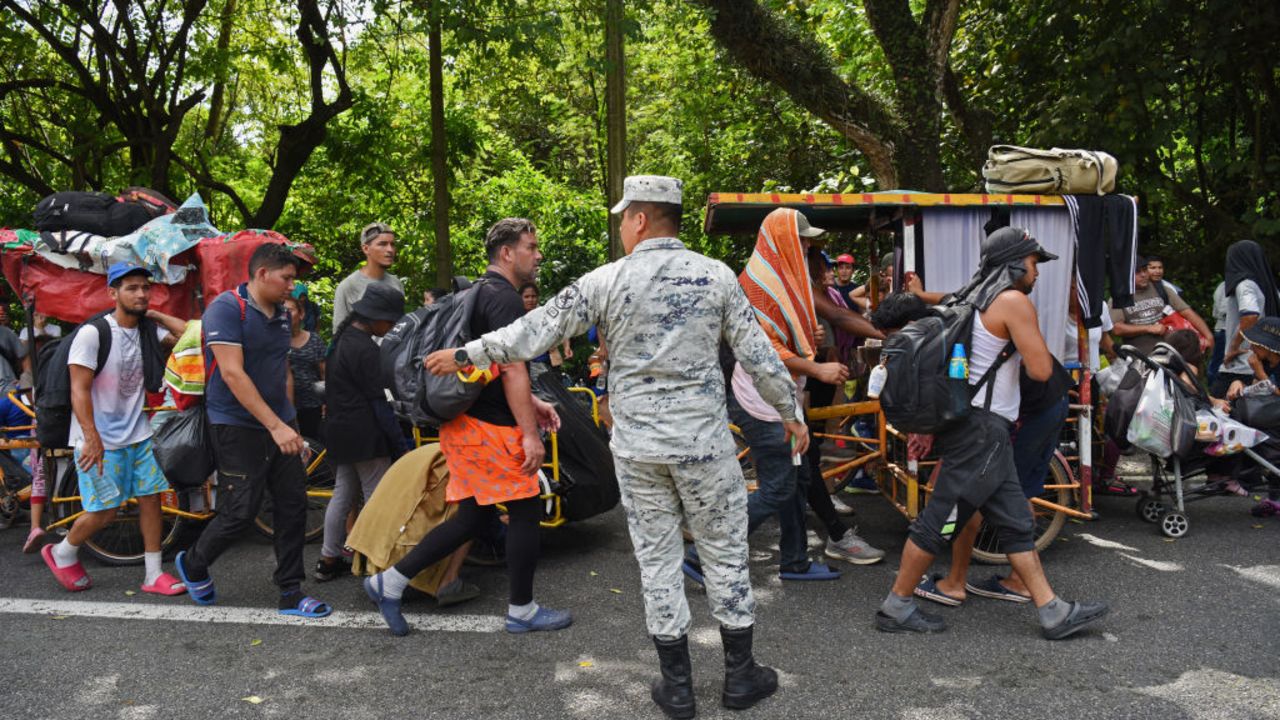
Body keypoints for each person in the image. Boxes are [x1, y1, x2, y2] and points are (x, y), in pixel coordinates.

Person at [423, 176, 803, 717]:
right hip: (703, 449)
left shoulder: (606, 280)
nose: (621, 225)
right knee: (725, 555)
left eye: (624, 216)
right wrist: (790, 412)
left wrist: (466, 354)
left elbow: (533, 332)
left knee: (657, 561)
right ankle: (740, 678)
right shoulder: (715, 276)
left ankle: (676, 687)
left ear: (641, 219)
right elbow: (759, 355)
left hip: (639, 449)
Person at [876, 227, 1109, 640]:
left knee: (1016, 520)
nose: (1037, 273)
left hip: (980, 428)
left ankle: (1052, 611)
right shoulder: (1012, 301)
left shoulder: (970, 298)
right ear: (1016, 263)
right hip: (982, 431)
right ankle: (896, 605)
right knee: (941, 519)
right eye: (1035, 263)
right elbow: (1040, 370)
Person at [362, 218, 568, 637]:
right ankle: (522, 610)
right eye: (531, 246)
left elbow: (486, 368)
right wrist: (529, 433)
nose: (538, 254)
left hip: (464, 425)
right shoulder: (505, 300)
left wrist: (533, 402)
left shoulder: (476, 294)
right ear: (507, 253)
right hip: (490, 429)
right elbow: (512, 369)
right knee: (527, 509)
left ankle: (390, 582)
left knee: (473, 516)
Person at [682, 209, 845, 584]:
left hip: (782, 402)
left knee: (797, 478)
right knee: (777, 487)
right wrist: (818, 368)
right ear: (784, 241)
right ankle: (702, 556)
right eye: (802, 240)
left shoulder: (781, 279)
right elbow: (764, 351)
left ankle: (795, 561)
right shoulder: (756, 285)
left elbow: (784, 337)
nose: (808, 246)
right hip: (762, 405)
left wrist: (811, 342)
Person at [175, 243, 332, 618]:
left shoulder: (281, 315)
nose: (292, 286)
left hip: (280, 423)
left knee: (293, 504)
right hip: (236, 425)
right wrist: (276, 426)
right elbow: (232, 374)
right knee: (241, 510)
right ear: (262, 274)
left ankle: (291, 592)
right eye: (287, 278)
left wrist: (290, 425)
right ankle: (194, 563)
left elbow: (280, 374)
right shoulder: (228, 309)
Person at [41, 263, 186, 595]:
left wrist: (158, 316)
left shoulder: (148, 331)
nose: (140, 293)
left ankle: (152, 575)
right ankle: (63, 550)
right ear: (112, 293)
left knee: (152, 500)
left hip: (139, 434)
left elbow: (191, 335)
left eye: (145, 288)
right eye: (131, 288)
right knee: (105, 510)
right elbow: (79, 388)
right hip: (99, 438)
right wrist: (91, 437)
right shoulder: (93, 333)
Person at [316, 284, 407, 581]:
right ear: (375, 316)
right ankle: (374, 563)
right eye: (390, 321)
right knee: (377, 497)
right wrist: (398, 442)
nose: (391, 327)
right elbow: (378, 401)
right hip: (365, 434)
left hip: (339, 430)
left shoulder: (341, 340)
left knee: (343, 495)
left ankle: (328, 559)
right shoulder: (365, 348)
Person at [1110, 257, 1213, 357]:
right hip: (1140, 357)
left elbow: (1187, 312)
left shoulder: (1160, 288)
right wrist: (1148, 328)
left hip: (1171, 352)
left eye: (1145, 270)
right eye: (1137, 272)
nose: (1143, 275)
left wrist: (1208, 336)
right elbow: (1117, 329)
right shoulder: (1119, 297)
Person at [1216, 241, 1280, 400]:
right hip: (1261, 361)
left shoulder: (1245, 285)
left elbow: (1250, 315)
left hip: (1241, 364)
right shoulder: (1268, 286)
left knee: (1218, 410)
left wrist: (1233, 346)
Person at [332, 222, 404, 332]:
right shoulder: (348, 286)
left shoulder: (396, 283)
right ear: (366, 249)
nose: (390, 250)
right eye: (382, 244)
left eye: (392, 244)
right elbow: (338, 333)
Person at [283, 295, 325, 440]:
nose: (285, 314)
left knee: (313, 445)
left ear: (301, 314)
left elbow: (323, 372)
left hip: (312, 404)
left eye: (289, 310)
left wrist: (327, 401)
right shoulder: (275, 340)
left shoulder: (314, 340)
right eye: (281, 310)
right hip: (284, 406)